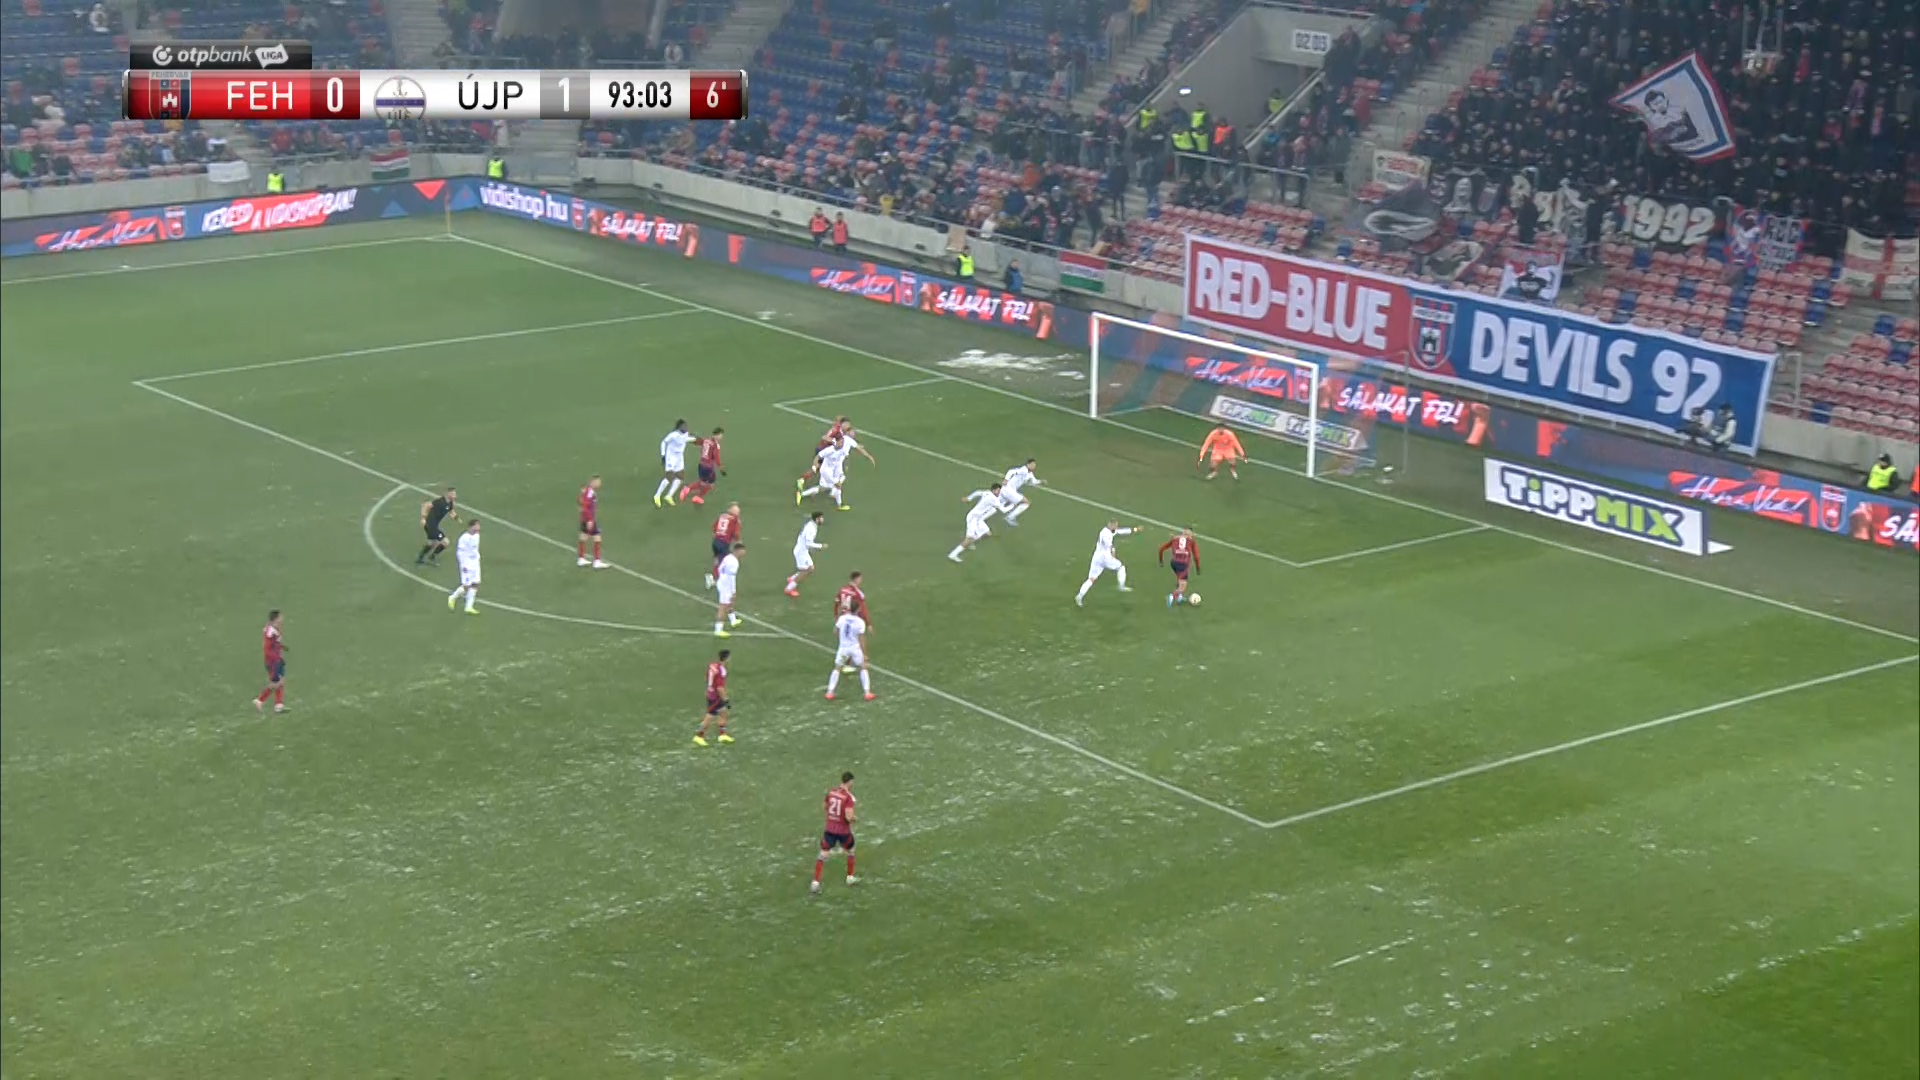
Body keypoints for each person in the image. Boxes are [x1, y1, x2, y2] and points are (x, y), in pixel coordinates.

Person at [811, 772, 858, 893]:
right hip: (843, 832)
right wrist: (854, 819)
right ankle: (850, 877)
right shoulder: (849, 798)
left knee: (822, 855)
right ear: (850, 782)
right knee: (851, 850)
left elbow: (825, 806)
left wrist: (833, 817)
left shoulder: (831, 792)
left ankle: (815, 882)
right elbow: (848, 817)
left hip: (830, 830)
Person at [1075, 519, 1135, 606]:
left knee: (1091, 579)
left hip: (1097, 558)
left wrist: (1134, 530)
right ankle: (1121, 587)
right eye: (1115, 525)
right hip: (1105, 559)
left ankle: (1079, 596)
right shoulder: (1106, 534)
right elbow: (1110, 546)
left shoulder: (1108, 530)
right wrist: (1113, 555)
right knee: (1121, 567)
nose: (1116, 527)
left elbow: (1120, 531)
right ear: (1110, 525)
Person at [825, 606, 874, 702]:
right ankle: (867, 693)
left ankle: (830, 692)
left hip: (843, 648)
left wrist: (842, 639)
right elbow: (861, 639)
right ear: (858, 610)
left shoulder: (842, 618)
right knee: (863, 667)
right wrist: (864, 653)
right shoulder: (860, 622)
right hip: (855, 648)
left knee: (837, 668)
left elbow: (835, 631)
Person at [948, 483, 1004, 561]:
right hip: (973, 518)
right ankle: (953, 555)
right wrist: (1014, 505)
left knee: (988, 534)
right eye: (998, 491)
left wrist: (969, 498)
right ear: (994, 490)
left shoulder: (987, 493)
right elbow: (1004, 510)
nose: (999, 493)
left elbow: (977, 492)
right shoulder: (993, 499)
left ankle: (971, 542)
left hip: (978, 519)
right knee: (969, 539)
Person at [693, 649, 733, 746]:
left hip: (710, 693)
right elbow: (720, 688)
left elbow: (707, 678)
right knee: (710, 716)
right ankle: (699, 736)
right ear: (726, 659)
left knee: (723, 712)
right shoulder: (722, 670)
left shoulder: (713, 665)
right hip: (716, 697)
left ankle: (722, 734)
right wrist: (726, 699)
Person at [254, 609, 288, 713]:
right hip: (273, 661)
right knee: (276, 683)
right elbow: (268, 648)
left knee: (281, 681)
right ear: (276, 619)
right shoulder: (270, 632)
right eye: (280, 617)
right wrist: (275, 659)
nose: (282, 618)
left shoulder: (274, 629)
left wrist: (282, 647)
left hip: (277, 659)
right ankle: (260, 700)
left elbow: (275, 644)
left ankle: (279, 705)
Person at [680, 427, 725, 504]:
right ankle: (696, 495)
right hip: (708, 468)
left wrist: (691, 436)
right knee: (710, 484)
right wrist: (721, 469)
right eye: (720, 435)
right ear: (716, 435)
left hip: (701, 465)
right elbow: (717, 458)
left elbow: (698, 441)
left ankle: (688, 489)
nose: (721, 437)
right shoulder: (716, 445)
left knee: (703, 482)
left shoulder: (706, 440)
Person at [787, 511, 827, 597]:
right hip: (801, 553)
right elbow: (808, 543)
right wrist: (821, 546)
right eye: (821, 518)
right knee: (805, 571)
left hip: (803, 551)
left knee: (810, 569)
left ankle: (792, 578)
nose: (823, 520)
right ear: (817, 519)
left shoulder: (811, 525)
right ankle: (789, 589)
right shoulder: (811, 529)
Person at [655, 419, 695, 506]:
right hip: (671, 457)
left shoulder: (685, 434)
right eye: (683, 426)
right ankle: (657, 495)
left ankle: (669, 496)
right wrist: (663, 455)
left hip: (679, 457)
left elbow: (685, 439)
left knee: (680, 477)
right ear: (679, 427)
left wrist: (696, 439)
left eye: (686, 425)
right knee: (669, 477)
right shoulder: (673, 435)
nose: (685, 427)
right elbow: (663, 442)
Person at [1158, 527, 1200, 606]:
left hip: (1174, 563)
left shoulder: (1175, 539)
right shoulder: (1191, 541)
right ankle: (1172, 596)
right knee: (1183, 586)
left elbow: (1162, 548)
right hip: (1183, 564)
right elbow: (1197, 556)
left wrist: (1161, 560)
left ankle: (1179, 597)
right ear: (1190, 535)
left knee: (1180, 579)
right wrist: (1198, 568)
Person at [448, 520, 482, 615]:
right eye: (477, 526)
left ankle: (468, 607)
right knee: (466, 586)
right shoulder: (464, 538)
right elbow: (460, 553)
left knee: (476, 584)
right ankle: (453, 597)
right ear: (471, 527)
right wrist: (463, 565)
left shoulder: (477, 535)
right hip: (467, 565)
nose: (478, 528)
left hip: (475, 563)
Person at [417, 485, 458, 564]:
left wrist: (455, 516)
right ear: (448, 494)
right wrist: (423, 518)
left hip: (434, 525)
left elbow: (451, 510)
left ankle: (420, 558)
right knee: (445, 542)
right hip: (430, 525)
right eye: (453, 494)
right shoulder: (439, 502)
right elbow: (425, 505)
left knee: (432, 543)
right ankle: (432, 557)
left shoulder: (450, 503)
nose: (455, 495)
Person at [998, 458, 1043, 525]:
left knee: (995, 503)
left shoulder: (1030, 474)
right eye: (1032, 465)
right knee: (1026, 502)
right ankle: (1009, 517)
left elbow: (1034, 481)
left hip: (1010, 490)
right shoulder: (1023, 470)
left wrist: (1041, 481)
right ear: (1028, 464)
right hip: (1008, 489)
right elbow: (1011, 471)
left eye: (1034, 465)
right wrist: (1006, 480)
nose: (1033, 466)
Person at [707, 503, 741, 590]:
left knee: (717, 559)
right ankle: (713, 579)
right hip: (723, 543)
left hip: (715, 541)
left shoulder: (722, 516)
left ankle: (714, 577)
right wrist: (737, 541)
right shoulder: (735, 520)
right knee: (725, 562)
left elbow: (714, 528)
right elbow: (736, 534)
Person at [713, 542, 744, 637]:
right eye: (742, 551)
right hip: (726, 586)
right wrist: (733, 590)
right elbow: (731, 578)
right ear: (737, 550)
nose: (743, 553)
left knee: (731, 601)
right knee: (723, 607)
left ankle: (733, 620)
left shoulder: (728, 558)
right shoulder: (733, 562)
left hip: (722, 582)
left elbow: (719, 569)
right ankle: (718, 630)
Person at [577, 475, 608, 568]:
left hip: (584, 518)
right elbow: (586, 505)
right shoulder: (590, 492)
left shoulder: (588, 491)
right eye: (598, 482)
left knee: (583, 536)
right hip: (588, 519)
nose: (599, 484)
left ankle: (581, 559)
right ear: (593, 482)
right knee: (597, 538)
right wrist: (590, 520)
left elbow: (581, 502)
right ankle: (597, 561)